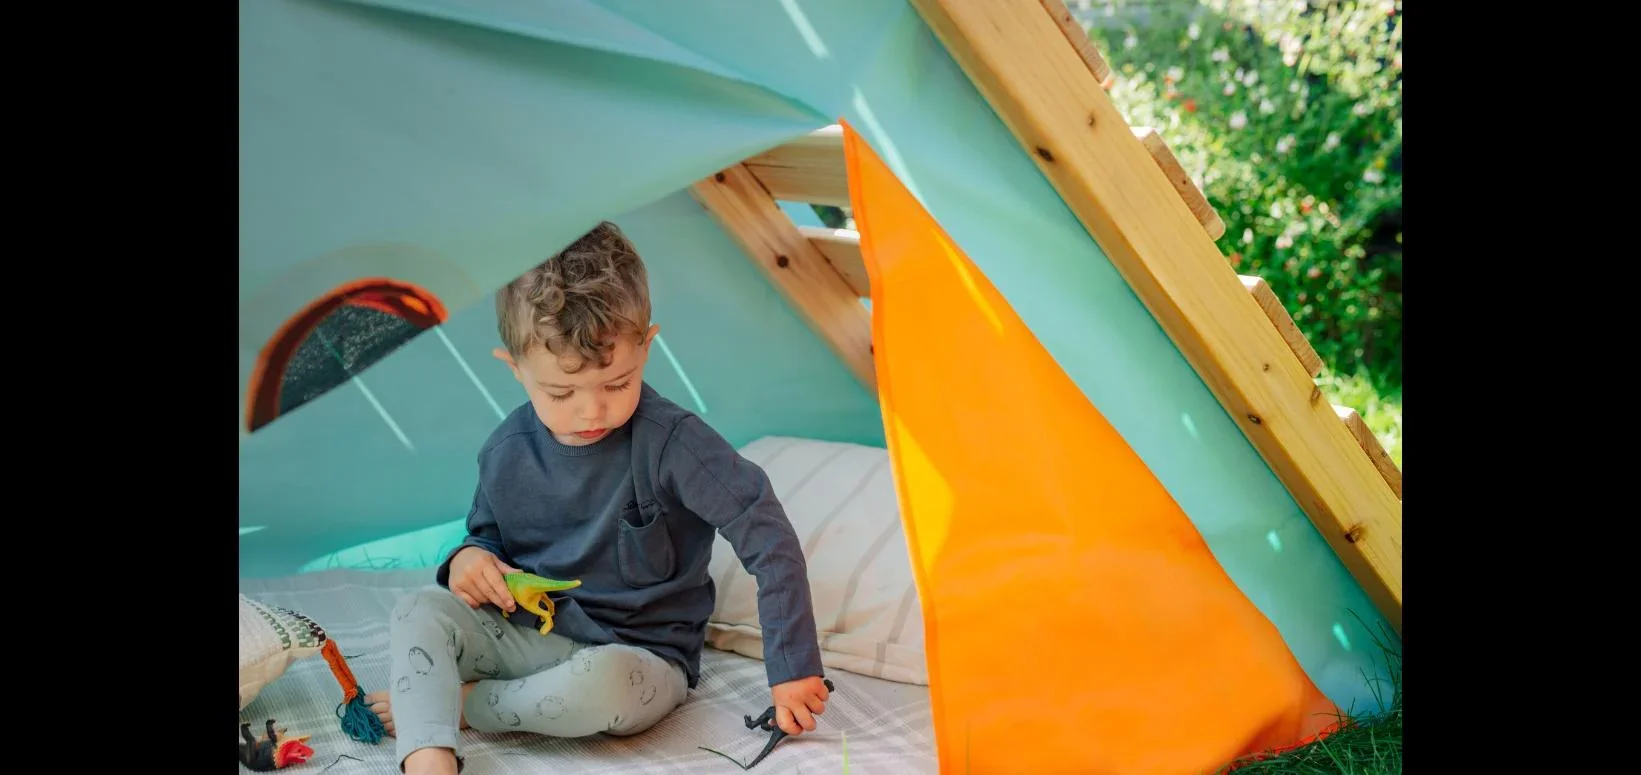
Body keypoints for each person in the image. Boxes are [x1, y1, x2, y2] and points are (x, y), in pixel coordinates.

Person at [364, 221, 830, 775]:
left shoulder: (674, 444)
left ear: (647, 347)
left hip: (639, 661)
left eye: (617, 384)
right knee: (418, 609)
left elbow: (767, 536)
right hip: (532, 635)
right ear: (514, 369)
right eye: (561, 392)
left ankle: (466, 705)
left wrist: (793, 665)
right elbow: (484, 537)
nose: (591, 412)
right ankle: (429, 760)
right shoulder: (506, 450)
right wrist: (469, 560)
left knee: (607, 683)